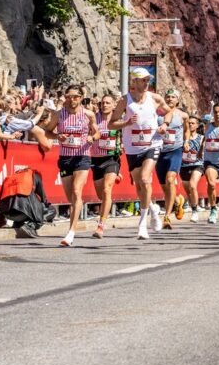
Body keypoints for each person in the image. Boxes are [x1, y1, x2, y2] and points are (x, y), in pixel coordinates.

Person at [108, 68, 170, 240]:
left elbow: (169, 111)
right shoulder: (125, 101)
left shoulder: (155, 98)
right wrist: (127, 122)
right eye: (142, 80)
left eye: (147, 80)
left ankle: (142, 224)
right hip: (133, 148)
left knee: (144, 179)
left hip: (153, 143)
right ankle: (153, 209)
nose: (146, 83)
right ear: (134, 81)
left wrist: (165, 124)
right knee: (139, 185)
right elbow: (111, 124)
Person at [39, 84, 98, 247]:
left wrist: (92, 138)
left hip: (82, 156)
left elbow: (97, 132)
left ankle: (71, 232)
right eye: (69, 97)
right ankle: (76, 210)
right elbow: (48, 132)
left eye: (75, 97)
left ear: (80, 97)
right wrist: (58, 136)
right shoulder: (59, 114)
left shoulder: (89, 114)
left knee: (76, 190)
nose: (72, 100)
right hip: (65, 157)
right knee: (71, 197)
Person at [89, 93, 123, 238]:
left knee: (106, 188)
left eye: (108, 103)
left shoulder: (118, 120)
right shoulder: (94, 118)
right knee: (100, 195)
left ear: (114, 105)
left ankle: (101, 226)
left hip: (111, 158)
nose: (105, 105)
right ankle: (116, 176)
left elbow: (127, 135)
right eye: (103, 103)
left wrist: (122, 144)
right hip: (96, 159)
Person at [155, 90, 187, 231]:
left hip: (175, 150)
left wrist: (186, 141)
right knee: (165, 187)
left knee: (170, 179)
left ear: (177, 100)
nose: (169, 99)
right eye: (167, 96)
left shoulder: (182, 115)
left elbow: (187, 129)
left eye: (173, 97)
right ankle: (177, 200)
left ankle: (167, 216)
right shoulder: (158, 113)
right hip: (160, 151)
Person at [180, 114, 204, 222]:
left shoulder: (201, 137)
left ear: (197, 125)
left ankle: (194, 211)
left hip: (197, 164)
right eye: (189, 123)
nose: (190, 125)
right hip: (184, 165)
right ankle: (192, 205)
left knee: (193, 186)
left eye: (193, 123)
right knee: (188, 190)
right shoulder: (182, 137)